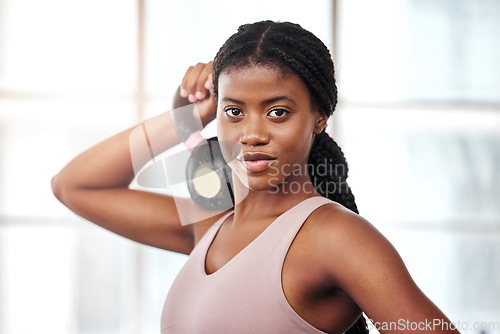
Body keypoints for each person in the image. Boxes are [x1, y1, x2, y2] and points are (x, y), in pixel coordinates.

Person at [52, 20, 460, 334]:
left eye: (278, 111)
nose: (252, 134)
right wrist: (186, 118)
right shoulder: (210, 224)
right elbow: (74, 186)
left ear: (319, 117)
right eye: (234, 111)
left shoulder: (335, 237)